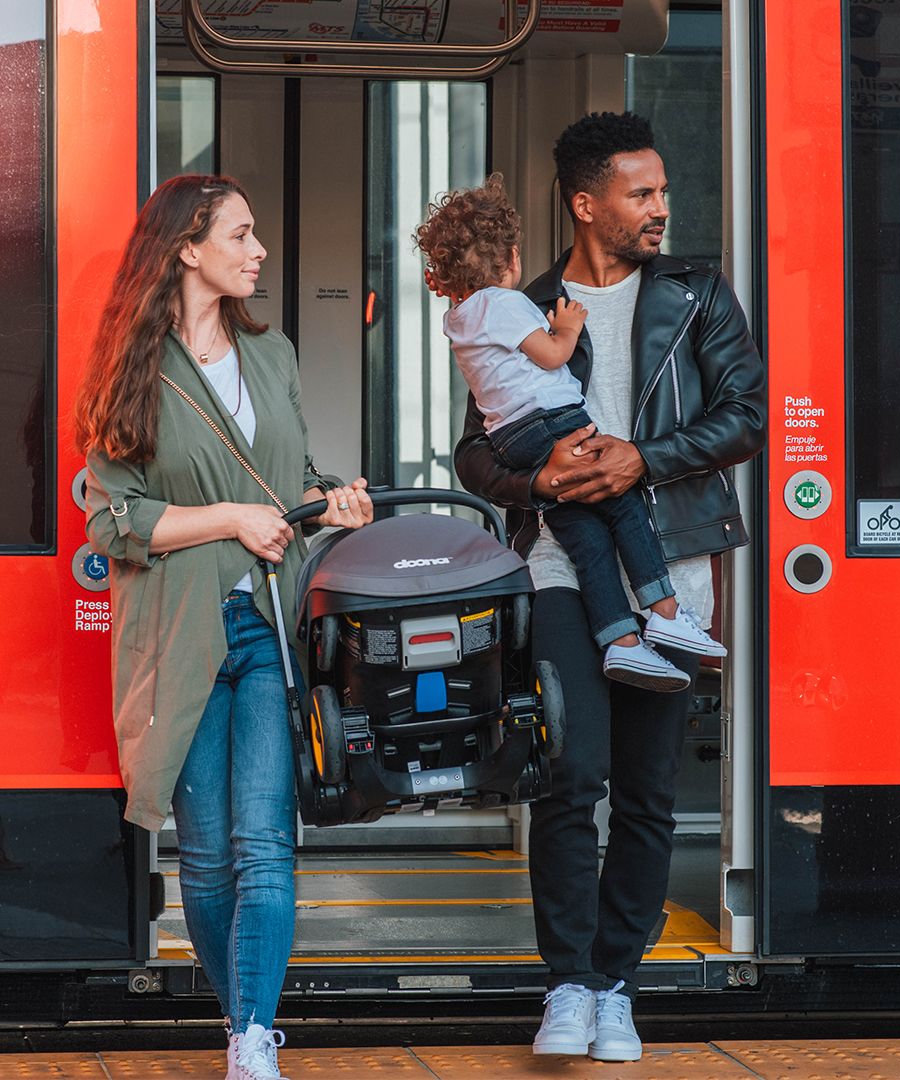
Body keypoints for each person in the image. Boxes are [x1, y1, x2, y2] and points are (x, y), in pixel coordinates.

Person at [454, 113, 766, 1061]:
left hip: (671, 560)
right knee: (567, 778)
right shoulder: (522, 302)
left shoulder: (699, 294)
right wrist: (538, 481)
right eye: (643, 194)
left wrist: (642, 460)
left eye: (663, 192)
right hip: (558, 565)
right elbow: (475, 449)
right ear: (587, 204)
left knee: (644, 793)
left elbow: (744, 414)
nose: (662, 209)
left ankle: (617, 985)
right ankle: (568, 987)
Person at [75, 175, 373, 1080]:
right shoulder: (134, 366)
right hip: (183, 633)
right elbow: (113, 520)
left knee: (264, 846)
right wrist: (233, 520)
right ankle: (238, 1015)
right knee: (204, 861)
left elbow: (288, 484)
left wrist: (332, 504)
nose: (259, 251)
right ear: (186, 249)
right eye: (241, 235)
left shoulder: (273, 354)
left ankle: (252, 1035)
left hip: (269, 631)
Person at [415, 175, 726, 694]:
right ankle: (667, 613)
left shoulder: (459, 318)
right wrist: (569, 326)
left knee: (585, 538)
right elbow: (553, 356)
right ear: (511, 258)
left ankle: (622, 644)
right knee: (623, 504)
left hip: (514, 440)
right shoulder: (508, 303)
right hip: (552, 421)